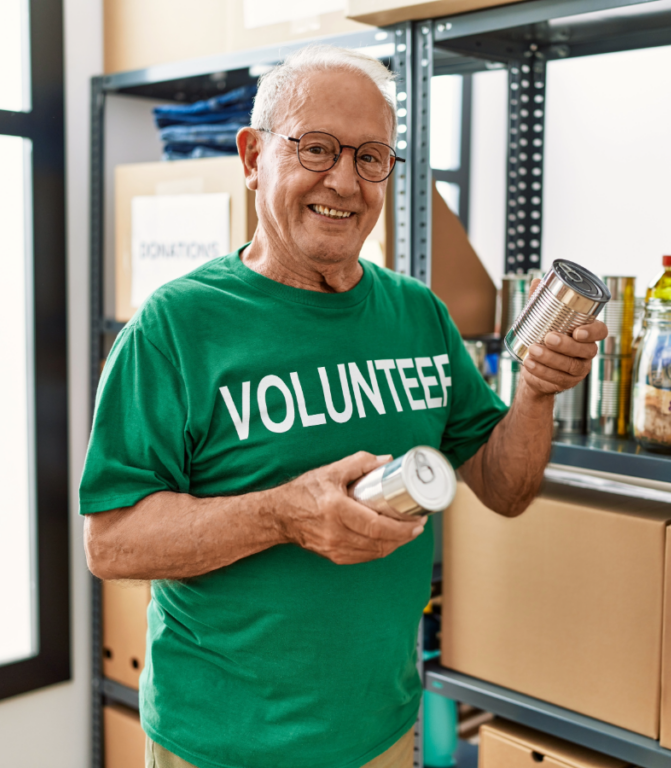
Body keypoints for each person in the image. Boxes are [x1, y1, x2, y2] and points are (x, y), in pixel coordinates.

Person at [80, 45, 607, 768]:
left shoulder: (417, 314)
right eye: (317, 148)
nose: (345, 182)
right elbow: (111, 541)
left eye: (371, 157)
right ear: (253, 154)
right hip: (222, 744)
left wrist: (537, 392)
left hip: (382, 732)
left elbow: (505, 487)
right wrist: (283, 512)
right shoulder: (176, 327)